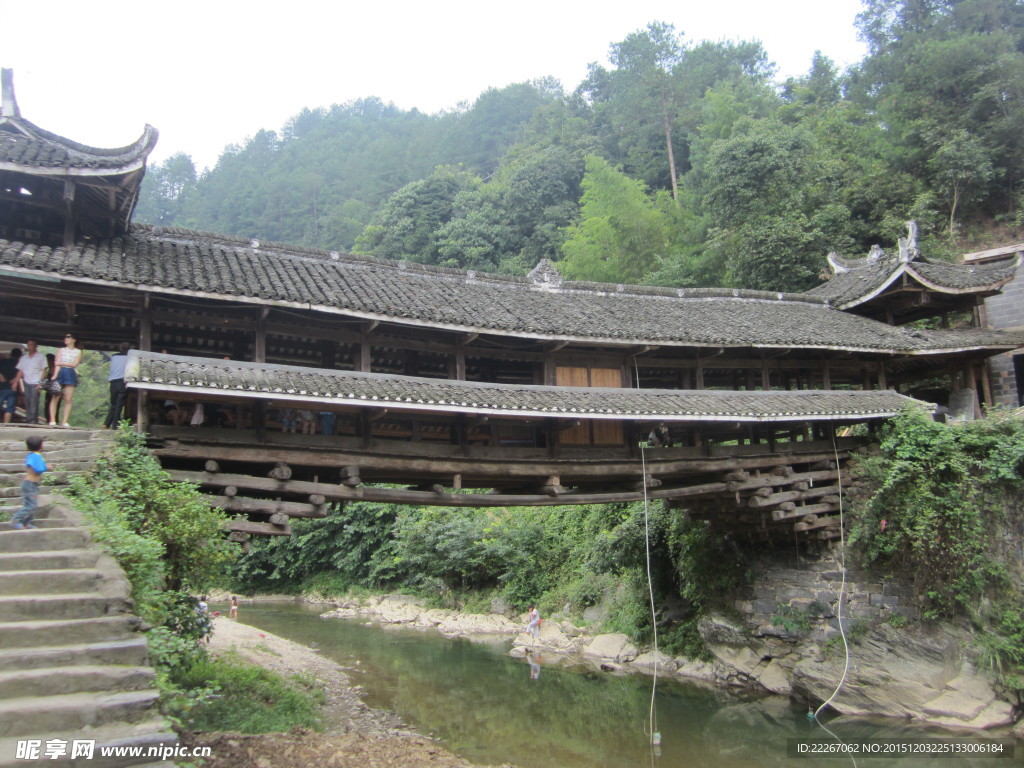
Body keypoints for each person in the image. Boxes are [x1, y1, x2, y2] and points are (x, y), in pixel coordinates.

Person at [10, 435, 47, 529]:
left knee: (33, 505)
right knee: (30, 505)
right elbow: (38, 469)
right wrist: (45, 468)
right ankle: (15, 520)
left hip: (31, 484)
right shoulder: (36, 456)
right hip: (30, 485)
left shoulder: (32, 455)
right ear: (41, 446)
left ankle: (26, 523)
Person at [49, 333, 82, 427]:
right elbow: (57, 364)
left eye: (68, 337)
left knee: (68, 398)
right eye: (65, 337)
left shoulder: (78, 351)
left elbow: (74, 364)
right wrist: (55, 375)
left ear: (74, 340)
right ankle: (52, 419)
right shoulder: (60, 350)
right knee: (55, 396)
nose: (66, 339)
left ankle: (64, 421)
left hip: (70, 373)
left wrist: (62, 363)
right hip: (61, 372)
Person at [12, 340, 47, 425]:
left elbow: (44, 370)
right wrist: (15, 382)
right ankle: (29, 419)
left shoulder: (41, 357)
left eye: (31, 345)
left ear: (35, 346)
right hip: (27, 382)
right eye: (28, 345)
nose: (29, 347)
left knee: (34, 401)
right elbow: (20, 370)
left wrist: (40, 383)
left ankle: (33, 420)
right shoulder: (24, 358)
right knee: (27, 401)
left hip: (36, 382)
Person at [103, 342, 132, 429]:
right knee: (119, 404)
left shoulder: (114, 357)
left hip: (113, 381)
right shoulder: (129, 358)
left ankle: (106, 424)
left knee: (113, 403)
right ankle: (115, 425)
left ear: (120, 348)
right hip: (122, 382)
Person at [0, 349, 18, 425]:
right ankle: (6, 424)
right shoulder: (18, 363)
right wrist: (14, 380)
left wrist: (2, 377)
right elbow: (20, 375)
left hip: (2, 387)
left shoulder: (2, 362)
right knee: (10, 408)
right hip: (12, 388)